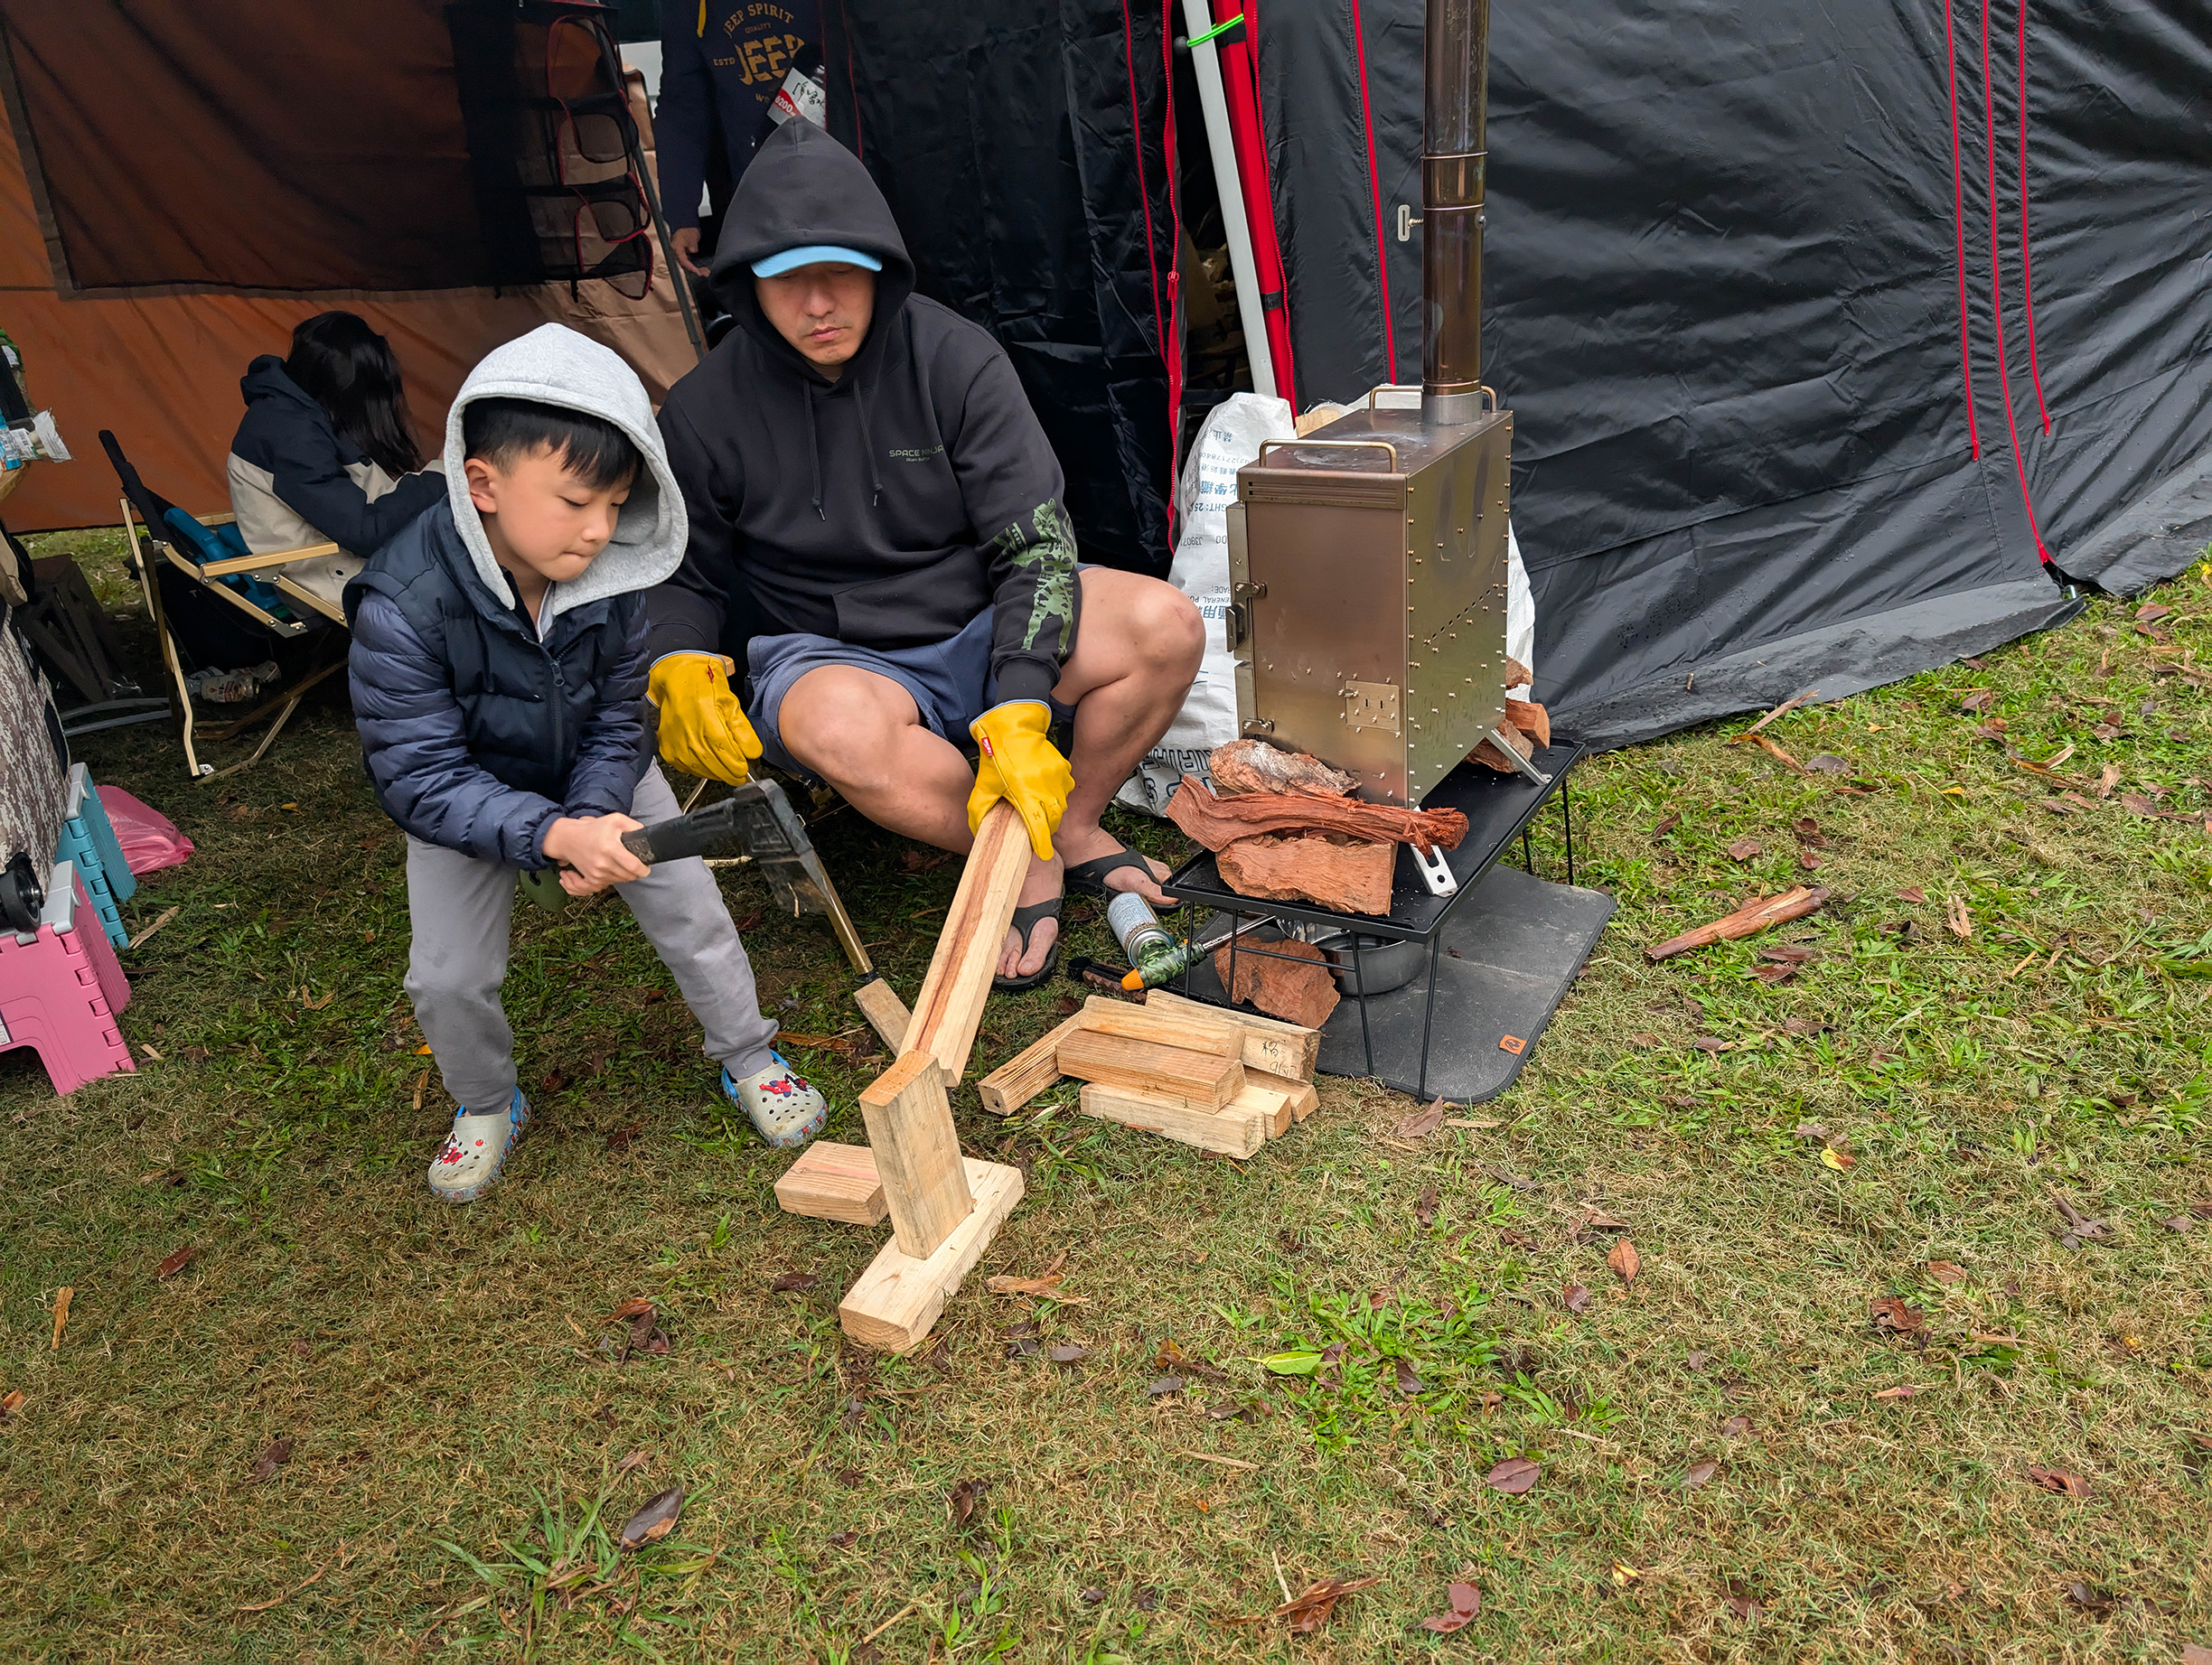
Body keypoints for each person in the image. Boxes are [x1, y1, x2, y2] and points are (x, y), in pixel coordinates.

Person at [644, 122, 1204, 991]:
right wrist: (677, 655)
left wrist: (1021, 701)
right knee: (830, 725)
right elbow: (680, 569)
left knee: (1164, 624)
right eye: (788, 280)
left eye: (839, 273)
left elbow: (1035, 545)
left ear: (880, 266)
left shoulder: (955, 360)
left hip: (977, 620)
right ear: (748, 284)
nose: (819, 304)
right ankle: (1024, 858)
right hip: (835, 653)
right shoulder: (702, 408)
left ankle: (1075, 820)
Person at [344, 323, 826, 1205]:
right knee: (447, 977)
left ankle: (749, 1054)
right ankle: (487, 1101)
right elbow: (419, 778)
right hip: (467, 794)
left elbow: (618, 713)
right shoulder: (400, 606)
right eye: (575, 502)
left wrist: (601, 810)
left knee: (695, 914)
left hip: (594, 778)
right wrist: (551, 833)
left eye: (616, 502)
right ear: (482, 483)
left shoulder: (615, 579)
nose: (601, 529)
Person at [227, 312, 448, 608]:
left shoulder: (294, 412)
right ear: (347, 388)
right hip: (333, 583)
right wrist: (440, 475)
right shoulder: (289, 433)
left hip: (344, 564)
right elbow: (364, 533)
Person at [656, 0, 821, 277]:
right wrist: (681, 214)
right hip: (754, 193)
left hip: (844, 176)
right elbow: (682, 109)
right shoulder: (688, 8)